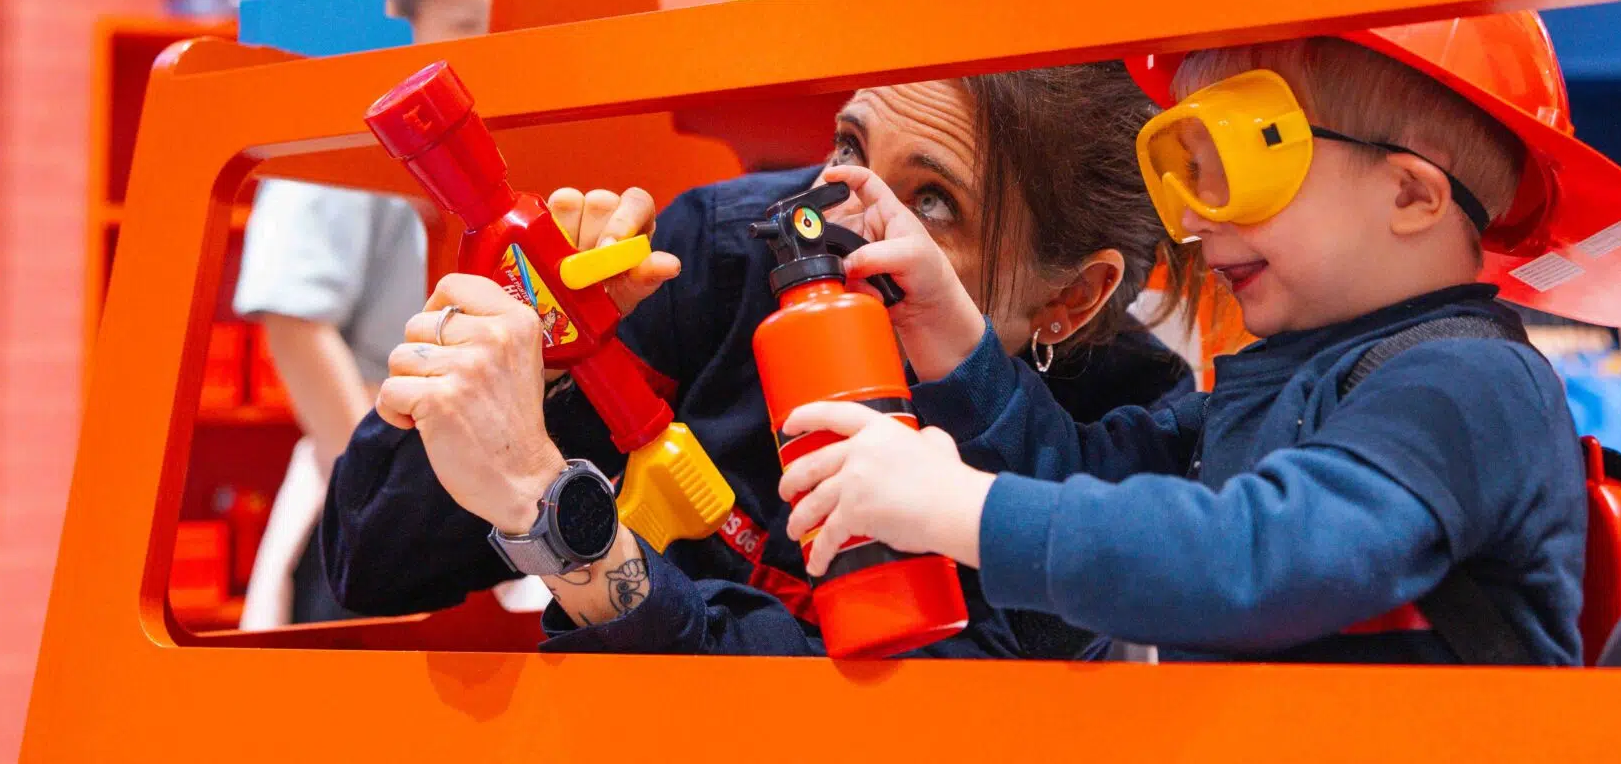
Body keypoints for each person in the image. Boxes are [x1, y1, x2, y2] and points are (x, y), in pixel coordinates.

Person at [759, 0, 1621, 665]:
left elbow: (1270, 560)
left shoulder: (1468, 386)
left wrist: (965, 510)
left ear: (1412, 198)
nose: (1195, 218)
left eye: (1241, 162)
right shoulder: (1273, 386)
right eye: (1181, 166)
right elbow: (1082, 473)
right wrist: (951, 333)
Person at [325, 63, 1202, 657]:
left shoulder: (1117, 437)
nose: (845, 217)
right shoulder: (727, 253)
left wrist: (553, 515)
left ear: (1073, 297)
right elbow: (376, 560)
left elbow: (894, 720)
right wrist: (540, 364)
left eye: (933, 202)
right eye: (851, 149)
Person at [232, 0, 497, 629]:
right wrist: (376, 485)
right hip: (376, 489)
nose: (488, 47)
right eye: (466, 24)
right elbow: (294, 316)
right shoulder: (355, 147)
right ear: (398, 26)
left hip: (447, 479)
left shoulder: (451, 152)